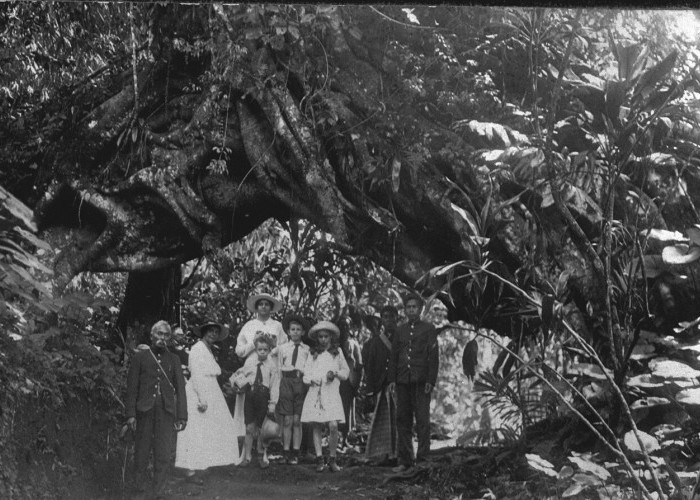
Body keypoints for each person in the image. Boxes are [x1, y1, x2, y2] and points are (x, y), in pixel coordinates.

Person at [126, 320, 187, 497]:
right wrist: (130, 414)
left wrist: (182, 416)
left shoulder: (174, 359)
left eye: (166, 335)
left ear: (170, 338)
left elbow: (181, 390)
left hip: (166, 412)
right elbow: (132, 388)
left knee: (163, 454)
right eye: (159, 334)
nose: (162, 338)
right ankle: (139, 491)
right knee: (141, 453)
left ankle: (158, 493)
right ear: (152, 336)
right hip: (144, 411)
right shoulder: (140, 358)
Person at [175, 322, 241, 482]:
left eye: (216, 332)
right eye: (210, 331)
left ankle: (205, 464)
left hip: (211, 389)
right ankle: (190, 470)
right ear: (204, 332)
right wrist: (201, 398)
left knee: (211, 428)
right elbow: (196, 373)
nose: (213, 334)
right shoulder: (197, 348)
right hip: (201, 390)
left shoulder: (208, 349)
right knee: (196, 430)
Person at [387, 294, 439, 472]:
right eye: (408, 307)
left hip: (421, 380)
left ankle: (423, 459)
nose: (411, 310)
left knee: (423, 420)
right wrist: (392, 379)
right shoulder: (400, 330)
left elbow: (433, 357)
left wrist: (431, 380)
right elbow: (394, 357)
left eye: (414, 307)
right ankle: (405, 460)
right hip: (403, 380)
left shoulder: (429, 329)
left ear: (421, 309)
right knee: (403, 419)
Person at [233, 293, 287, 439]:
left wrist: (273, 347)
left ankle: (266, 443)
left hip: (270, 368)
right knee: (250, 403)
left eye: (267, 304)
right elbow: (239, 351)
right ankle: (248, 442)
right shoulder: (249, 326)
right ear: (256, 307)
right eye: (261, 304)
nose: (263, 307)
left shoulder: (277, 326)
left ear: (271, 307)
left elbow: (284, 347)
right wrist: (253, 343)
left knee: (269, 401)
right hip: (252, 367)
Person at [301, 321, 350, 473]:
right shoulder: (313, 353)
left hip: (332, 393)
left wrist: (336, 374)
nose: (323, 339)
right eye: (320, 337)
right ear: (317, 338)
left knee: (333, 425)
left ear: (331, 337)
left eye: (326, 336)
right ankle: (319, 458)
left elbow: (345, 372)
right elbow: (306, 374)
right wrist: (311, 380)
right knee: (317, 424)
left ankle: (333, 458)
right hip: (316, 392)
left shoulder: (337, 352)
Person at [231, 334, 280, 468]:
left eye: (265, 349)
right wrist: (236, 381)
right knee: (249, 427)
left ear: (270, 350)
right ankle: (247, 457)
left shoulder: (272, 365)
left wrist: (272, 404)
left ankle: (260, 455)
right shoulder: (250, 362)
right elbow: (241, 374)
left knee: (261, 428)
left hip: (264, 397)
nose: (262, 352)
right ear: (256, 349)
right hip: (250, 396)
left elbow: (275, 385)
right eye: (260, 349)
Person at [363, 305, 399, 464]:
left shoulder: (403, 338)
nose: (389, 320)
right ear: (382, 320)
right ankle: (383, 455)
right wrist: (370, 391)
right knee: (382, 422)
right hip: (381, 386)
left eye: (392, 316)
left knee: (399, 420)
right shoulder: (376, 342)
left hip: (398, 386)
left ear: (397, 318)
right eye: (385, 317)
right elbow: (370, 367)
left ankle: (399, 455)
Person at [274, 314, 310, 465]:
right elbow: (277, 368)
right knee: (287, 420)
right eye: (292, 329)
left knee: (297, 420)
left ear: (302, 332)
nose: (295, 332)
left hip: (300, 382)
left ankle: (296, 452)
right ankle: (286, 451)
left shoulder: (307, 349)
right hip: (286, 382)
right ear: (288, 332)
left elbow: (309, 368)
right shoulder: (282, 348)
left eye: (298, 329)